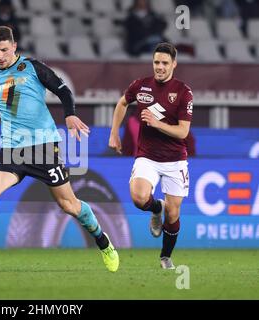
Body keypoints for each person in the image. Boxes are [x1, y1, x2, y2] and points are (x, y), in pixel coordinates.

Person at [0, 26, 119, 272]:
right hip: (12, 149)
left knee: (68, 205)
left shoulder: (32, 68)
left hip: (43, 148)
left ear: (14, 47)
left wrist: (70, 116)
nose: (0, 55)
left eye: (4, 50)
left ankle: (102, 241)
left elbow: (63, 90)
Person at [109, 42, 193, 269]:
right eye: (157, 62)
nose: (160, 67)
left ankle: (165, 256)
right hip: (147, 156)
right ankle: (156, 208)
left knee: (173, 213)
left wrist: (157, 124)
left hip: (175, 159)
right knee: (138, 197)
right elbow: (122, 103)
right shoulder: (141, 86)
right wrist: (114, 132)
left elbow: (183, 132)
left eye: (165, 63)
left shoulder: (184, 92)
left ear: (174, 64)